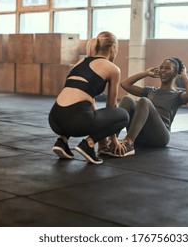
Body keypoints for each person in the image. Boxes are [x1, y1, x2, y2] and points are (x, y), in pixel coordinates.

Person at [48, 31, 129, 165]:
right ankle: (88, 144)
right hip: (76, 121)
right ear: (113, 48)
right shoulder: (113, 68)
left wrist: (96, 122)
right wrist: (113, 140)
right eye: (117, 48)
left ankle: (62, 141)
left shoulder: (80, 62)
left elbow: (78, 94)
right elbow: (111, 106)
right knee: (123, 115)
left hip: (55, 118)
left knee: (81, 112)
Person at [100, 57, 188, 157]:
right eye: (161, 67)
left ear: (175, 73)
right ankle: (112, 140)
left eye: (167, 68)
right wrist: (145, 73)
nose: (163, 70)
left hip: (159, 138)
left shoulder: (177, 96)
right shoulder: (151, 91)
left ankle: (128, 143)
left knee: (144, 101)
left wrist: (184, 75)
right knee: (126, 99)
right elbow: (125, 84)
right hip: (141, 136)